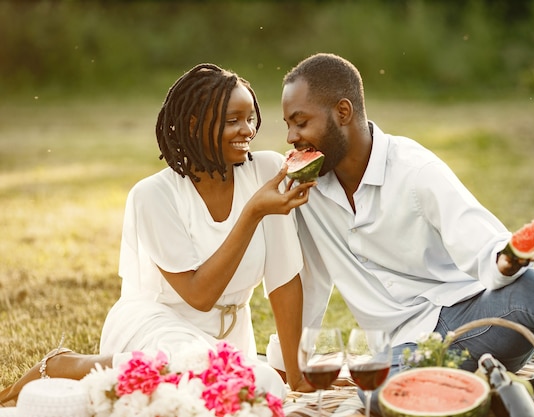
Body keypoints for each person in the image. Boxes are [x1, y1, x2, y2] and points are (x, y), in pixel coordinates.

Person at [268, 52, 534, 412]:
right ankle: (502, 386)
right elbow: (310, 280)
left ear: (342, 113)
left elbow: (482, 241)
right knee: (375, 392)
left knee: (532, 287)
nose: (291, 137)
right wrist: (292, 362)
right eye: (288, 124)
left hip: (473, 323)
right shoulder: (307, 193)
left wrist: (505, 262)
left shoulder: (414, 169)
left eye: (300, 123)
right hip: (402, 351)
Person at [0, 63, 314, 407]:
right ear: (194, 124)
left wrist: (296, 375)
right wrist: (253, 212)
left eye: (251, 117)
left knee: (262, 386)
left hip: (227, 339)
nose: (247, 130)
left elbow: (284, 280)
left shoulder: (266, 169)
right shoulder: (153, 196)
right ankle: (67, 364)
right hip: (157, 328)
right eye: (232, 120)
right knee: (212, 376)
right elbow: (199, 295)